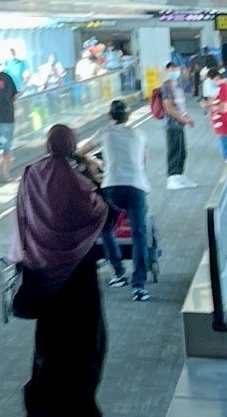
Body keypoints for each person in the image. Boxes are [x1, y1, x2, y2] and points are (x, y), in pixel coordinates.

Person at [10, 124, 109, 415]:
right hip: (79, 278)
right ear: (71, 144)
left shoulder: (31, 174)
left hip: (43, 275)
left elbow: (23, 215)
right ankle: (78, 405)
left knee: (49, 345)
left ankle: (45, 404)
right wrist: (90, 175)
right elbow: (100, 212)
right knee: (84, 344)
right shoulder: (77, 181)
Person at [96, 99, 153, 301]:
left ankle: (119, 272)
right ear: (128, 117)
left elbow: (81, 151)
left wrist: (100, 163)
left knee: (106, 228)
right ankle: (139, 286)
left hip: (111, 187)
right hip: (136, 186)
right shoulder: (140, 134)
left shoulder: (104, 133)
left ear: (111, 116)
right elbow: (142, 162)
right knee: (139, 235)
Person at [156, 71, 196, 189]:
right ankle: (172, 178)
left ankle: (180, 176)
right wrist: (182, 119)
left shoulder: (177, 87)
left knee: (181, 151)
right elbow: (168, 106)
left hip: (179, 124)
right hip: (171, 124)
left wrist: (186, 118)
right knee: (174, 150)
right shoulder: (166, 87)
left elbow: (180, 105)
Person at [205, 70, 227, 161]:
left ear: (216, 78)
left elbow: (224, 108)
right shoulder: (225, 87)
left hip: (225, 125)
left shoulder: (224, 88)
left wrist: (213, 107)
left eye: (210, 80)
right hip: (224, 125)